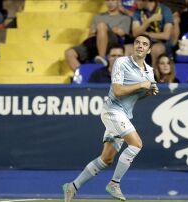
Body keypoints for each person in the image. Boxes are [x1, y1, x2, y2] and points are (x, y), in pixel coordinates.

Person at [63, 34, 159, 202]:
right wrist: (141, 85)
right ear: (133, 46)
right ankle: (114, 183)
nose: (140, 45)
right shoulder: (121, 62)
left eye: (144, 44)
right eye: (137, 42)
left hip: (124, 115)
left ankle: (72, 186)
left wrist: (148, 92)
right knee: (136, 144)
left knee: (106, 159)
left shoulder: (149, 71)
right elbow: (118, 91)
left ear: (149, 50)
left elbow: (137, 95)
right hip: (112, 111)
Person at [65, 0, 131, 72]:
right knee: (69, 53)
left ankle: (101, 58)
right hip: (94, 42)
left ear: (118, 1)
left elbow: (121, 32)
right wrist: (104, 31)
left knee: (101, 25)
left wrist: (102, 29)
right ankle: (82, 75)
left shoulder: (125, 18)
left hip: (112, 42)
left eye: (113, 0)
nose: (110, 3)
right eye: (107, 0)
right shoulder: (98, 17)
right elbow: (91, 34)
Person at [132, 0, 173, 66]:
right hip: (143, 42)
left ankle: (154, 75)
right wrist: (149, 20)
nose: (135, 2)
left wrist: (147, 34)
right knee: (128, 49)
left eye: (138, 0)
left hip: (162, 43)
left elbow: (166, 35)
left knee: (156, 49)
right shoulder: (138, 12)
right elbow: (135, 33)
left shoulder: (165, 10)